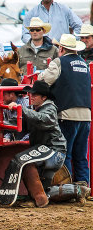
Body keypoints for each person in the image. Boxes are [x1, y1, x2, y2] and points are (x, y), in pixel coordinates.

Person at [0, 81, 90, 208]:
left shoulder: (50, 108)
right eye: (31, 94)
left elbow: (42, 119)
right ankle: (77, 190)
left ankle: (39, 198)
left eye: (35, 95)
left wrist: (21, 110)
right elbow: (22, 124)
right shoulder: (34, 109)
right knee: (39, 181)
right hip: (45, 151)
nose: (32, 96)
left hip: (54, 150)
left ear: (44, 97)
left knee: (23, 161)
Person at [38, 34, 91, 184]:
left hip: (67, 113)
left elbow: (44, 80)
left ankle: (66, 188)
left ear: (61, 48)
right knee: (80, 155)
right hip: (86, 115)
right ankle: (83, 185)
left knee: (65, 153)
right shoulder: (84, 64)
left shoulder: (59, 62)